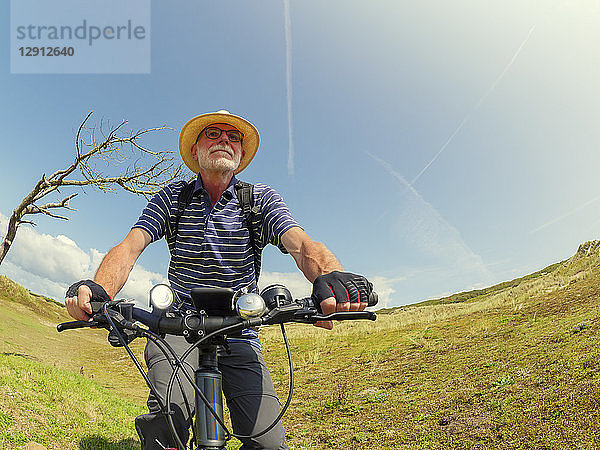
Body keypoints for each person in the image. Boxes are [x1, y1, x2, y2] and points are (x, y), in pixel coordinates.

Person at [65, 110, 373, 449]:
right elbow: (130, 246)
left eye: (234, 136)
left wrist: (330, 276)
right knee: (169, 416)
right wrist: (98, 291)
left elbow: (300, 245)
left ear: (240, 155)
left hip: (240, 331)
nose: (225, 139)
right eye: (213, 133)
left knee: (267, 443)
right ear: (195, 151)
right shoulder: (173, 198)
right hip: (176, 329)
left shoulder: (258, 200)